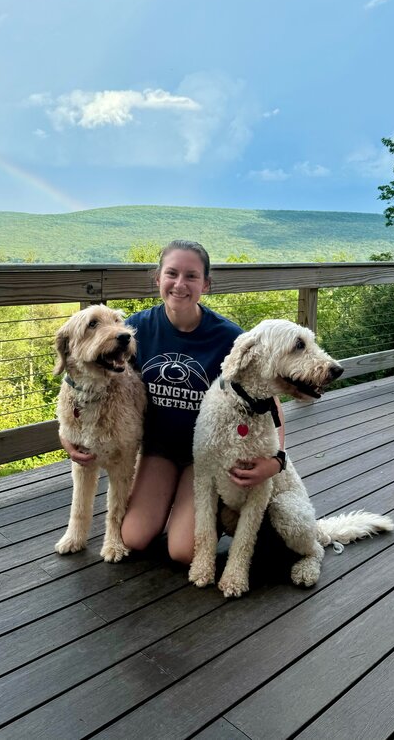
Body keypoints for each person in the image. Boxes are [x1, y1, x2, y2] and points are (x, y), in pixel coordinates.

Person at [64, 240, 285, 565]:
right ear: (158, 279)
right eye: (172, 273)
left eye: (191, 276)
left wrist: (276, 460)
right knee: (133, 539)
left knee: (183, 552)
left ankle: (220, 507)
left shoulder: (227, 337)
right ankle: (174, 503)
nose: (180, 284)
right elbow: (85, 380)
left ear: (205, 285)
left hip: (207, 455)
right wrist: (68, 435)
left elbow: (269, 400)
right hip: (158, 451)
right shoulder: (132, 331)